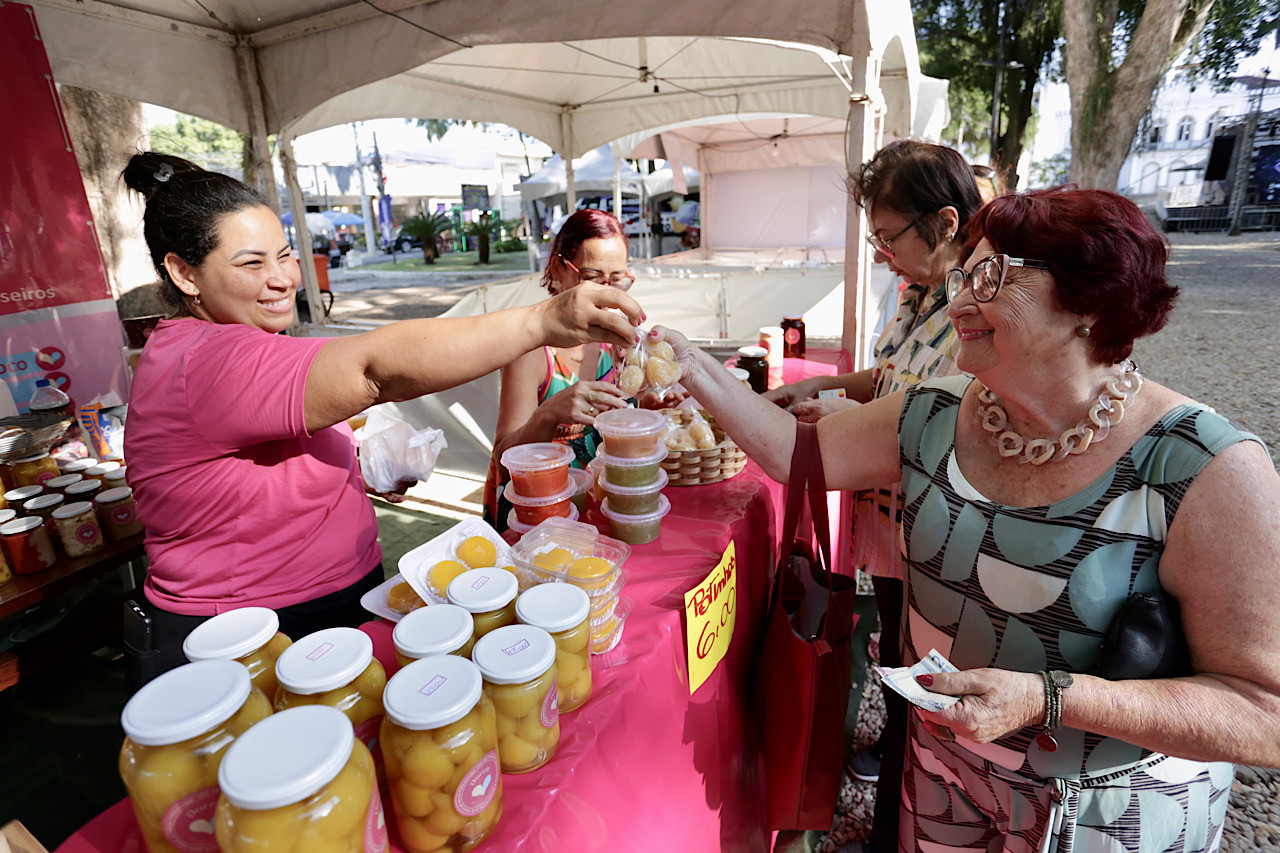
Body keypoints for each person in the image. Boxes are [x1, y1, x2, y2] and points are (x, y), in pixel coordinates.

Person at [658, 187, 1280, 851]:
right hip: (943, 781)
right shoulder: (930, 414)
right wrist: (689, 362)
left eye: (990, 277)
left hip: (1107, 816)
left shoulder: (1204, 467)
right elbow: (793, 452)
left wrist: (1050, 698)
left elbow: (1264, 712)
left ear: (1091, 303)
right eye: (962, 275)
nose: (956, 302)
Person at [120, 153, 641, 687]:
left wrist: (363, 467)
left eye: (285, 256)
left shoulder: (245, 343)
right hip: (249, 635)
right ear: (185, 273)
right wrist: (543, 319)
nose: (282, 280)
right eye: (252, 264)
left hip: (325, 605)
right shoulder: (204, 361)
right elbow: (372, 368)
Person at [762, 139, 982, 851]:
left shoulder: (976, 312)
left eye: (889, 237)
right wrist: (818, 389)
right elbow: (889, 375)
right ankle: (891, 757)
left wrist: (840, 425)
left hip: (931, 531)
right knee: (896, 643)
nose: (882, 252)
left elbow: (936, 424)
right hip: (888, 530)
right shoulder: (918, 292)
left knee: (927, 674)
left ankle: (898, 820)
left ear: (945, 224)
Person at [483, 209, 638, 530]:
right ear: (557, 268)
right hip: (536, 515)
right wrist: (549, 413)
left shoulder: (610, 338)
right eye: (593, 279)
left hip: (590, 504)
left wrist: (650, 399)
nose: (607, 296)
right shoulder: (530, 349)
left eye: (617, 280)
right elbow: (504, 460)